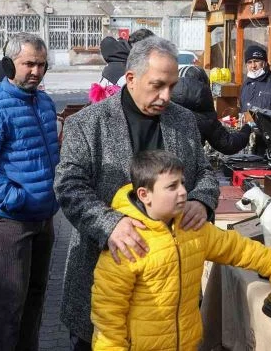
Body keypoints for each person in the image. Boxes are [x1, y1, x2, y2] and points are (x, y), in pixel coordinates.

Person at [55, 36, 220, 350]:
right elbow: (68, 186)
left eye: (171, 86)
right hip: (105, 280)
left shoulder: (183, 120)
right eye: (157, 85)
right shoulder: (88, 124)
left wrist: (202, 200)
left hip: (169, 294)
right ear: (130, 78)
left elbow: (205, 172)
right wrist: (110, 224)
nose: (166, 96)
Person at [91, 150, 271, 350]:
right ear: (145, 195)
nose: (183, 191)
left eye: (182, 183)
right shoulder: (127, 242)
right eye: (172, 186)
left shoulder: (193, 229)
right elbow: (108, 316)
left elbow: (242, 250)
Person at [0, 32, 59, 351]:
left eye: (42, 65)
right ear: (8, 65)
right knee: (6, 305)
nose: (36, 71)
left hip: (44, 216)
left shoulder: (45, 102)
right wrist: (16, 198)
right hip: (8, 220)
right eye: (29, 64)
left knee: (35, 299)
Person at [171, 65, 251, 154]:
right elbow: (228, 144)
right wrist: (246, 129)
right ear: (203, 86)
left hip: (159, 163)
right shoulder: (203, 109)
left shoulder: (164, 102)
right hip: (189, 164)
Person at [239, 44, 271, 111]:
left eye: (256, 61)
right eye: (249, 62)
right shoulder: (246, 84)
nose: (253, 66)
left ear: (265, 63)